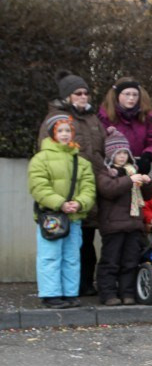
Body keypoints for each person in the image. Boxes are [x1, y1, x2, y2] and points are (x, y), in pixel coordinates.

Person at [38, 70, 105, 296]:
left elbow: (101, 149)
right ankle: (59, 290)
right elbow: (46, 157)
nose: (84, 96)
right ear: (67, 96)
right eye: (78, 93)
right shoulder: (55, 120)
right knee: (62, 245)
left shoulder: (93, 119)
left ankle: (83, 284)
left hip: (91, 187)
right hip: (67, 192)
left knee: (86, 239)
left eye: (86, 93)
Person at [28, 116, 96, 309]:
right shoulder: (41, 159)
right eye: (61, 131)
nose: (65, 134)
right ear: (52, 134)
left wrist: (80, 203)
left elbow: (89, 187)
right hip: (51, 216)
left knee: (72, 256)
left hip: (73, 217)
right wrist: (60, 203)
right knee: (50, 255)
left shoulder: (81, 161)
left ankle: (69, 292)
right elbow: (38, 186)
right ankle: (51, 294)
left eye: (68, 131)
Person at [94, 129, 152, 305]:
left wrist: (148, 182)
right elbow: (109, 189)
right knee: (110, 261)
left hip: (134, 224)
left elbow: (149, 195)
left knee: (130, 262)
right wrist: (131, 181)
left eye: (124, 153)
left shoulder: (132, 171)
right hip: (113, 226)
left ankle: (128, 293)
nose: (122, 156)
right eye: (118, 153)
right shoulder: (106, 173)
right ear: (111, 155)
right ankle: (108, 294)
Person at [98, 77, 152, 175]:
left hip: (139, 170)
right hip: (114, 171)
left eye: (135, 94)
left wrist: (147, 155)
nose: (131, 98)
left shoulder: (144, 117)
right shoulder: (105, 118)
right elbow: (99, 145)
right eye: (127, 94)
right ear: (117, 95)